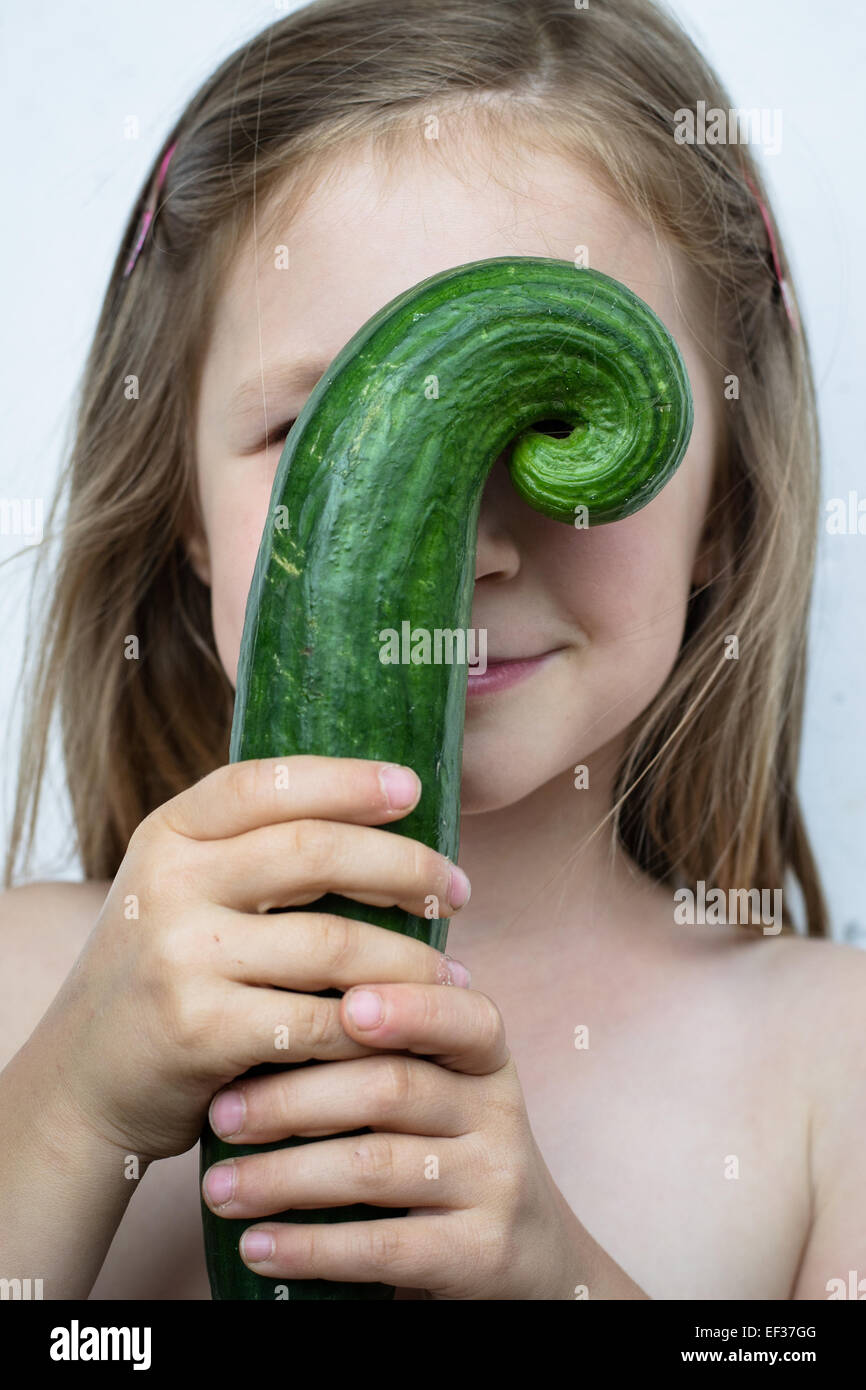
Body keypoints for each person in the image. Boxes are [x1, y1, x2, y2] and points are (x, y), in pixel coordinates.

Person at [2, 0, 862, 1301]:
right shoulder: (29, 981)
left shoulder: (831, 1064)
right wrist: (69, 1113)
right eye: (321, 427)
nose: (463, 547)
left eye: (555, 422)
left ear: (723, 507)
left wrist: (557, 1279)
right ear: (182, 512)